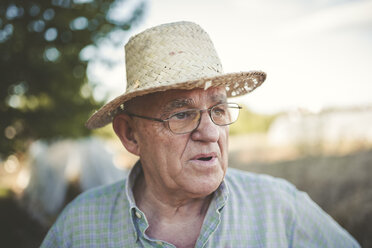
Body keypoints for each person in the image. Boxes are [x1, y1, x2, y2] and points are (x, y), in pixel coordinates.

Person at [41, 21, 360, 248]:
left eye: (218, 110)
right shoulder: (79, 228)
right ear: (130, 135)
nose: (209, 132)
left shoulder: (280, 207)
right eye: (181, 114)